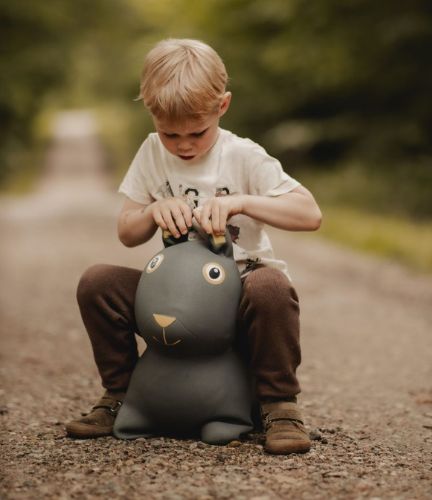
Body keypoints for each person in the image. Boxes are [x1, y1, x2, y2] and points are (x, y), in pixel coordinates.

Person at [66, 38, 322, 455]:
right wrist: (152, 211)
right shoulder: (151, 152)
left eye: (197, 133)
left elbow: (310, 214)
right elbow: (127, 232)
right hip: (175, 296)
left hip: (238, 296)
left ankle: (279, 405)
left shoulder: (243, 155)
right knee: (97, 281)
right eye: (170, 134)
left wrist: (241, 202)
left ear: (222, 106)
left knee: (270, 286)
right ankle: (119, 395)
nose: (184, 145)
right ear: (152, 115)